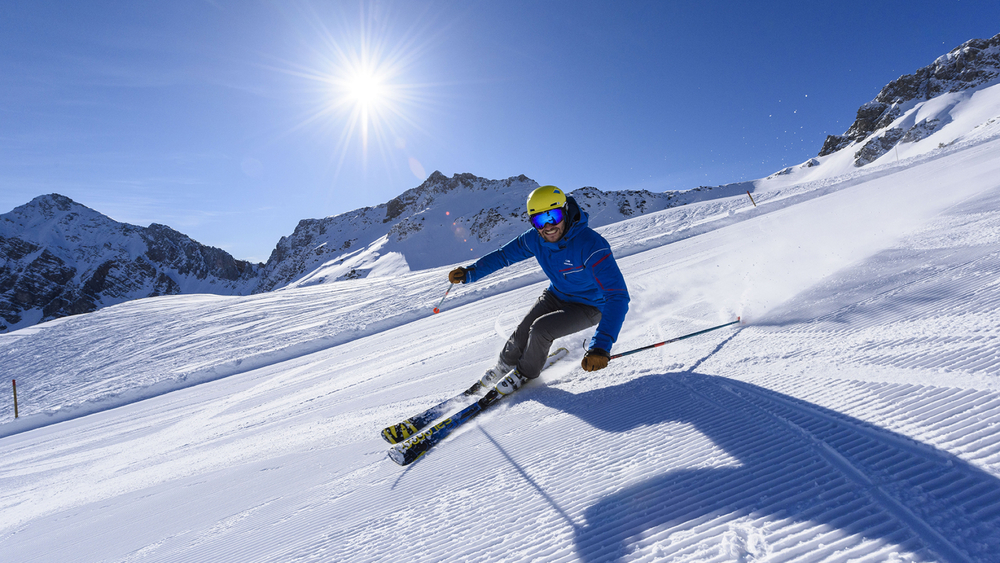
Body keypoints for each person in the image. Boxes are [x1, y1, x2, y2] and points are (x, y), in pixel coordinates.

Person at [449, 185, 630, 396]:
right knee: (522, 331)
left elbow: (617, 296)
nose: (548, 226)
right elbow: (503, 256)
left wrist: (600, 347)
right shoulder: (535, 239)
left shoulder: (591, 245)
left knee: (541, 329)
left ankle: (525, 372)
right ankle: (503, 367)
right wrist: (471, 272)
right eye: (539, 221)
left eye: (553, 216)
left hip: (589, 306)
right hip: (556, 294)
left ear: (566, 212)